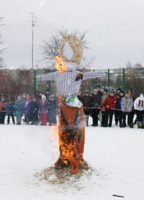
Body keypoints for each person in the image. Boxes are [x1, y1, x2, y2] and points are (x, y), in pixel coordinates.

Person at [37, 35, 106, 174]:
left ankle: (76, 157)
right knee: (65, 132)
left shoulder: (76, 74)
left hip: (73, 106)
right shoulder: (61, 74)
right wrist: (40, 77)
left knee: (74, 133)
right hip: (65, 106)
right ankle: (67, 157)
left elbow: (90, 75)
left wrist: (100, 73)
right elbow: (45, 76)